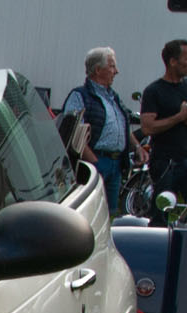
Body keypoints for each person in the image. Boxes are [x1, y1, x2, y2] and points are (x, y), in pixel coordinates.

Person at [62, 47, 147, 215]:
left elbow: (124, 126)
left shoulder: (113, 97)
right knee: (89, 212)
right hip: (97, 161)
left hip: (115, 165)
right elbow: (73, 130)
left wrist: (137, 147)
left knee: (109, 213)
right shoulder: (80, 95)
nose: (116, 71)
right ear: (98, 70)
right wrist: (94, 162)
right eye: (112, 66)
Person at [141, 39, 187, 214]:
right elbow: (147, 127)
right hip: (166, 162)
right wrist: (179, 117)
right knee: (162, 210)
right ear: (173, 61)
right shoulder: (154, 91)